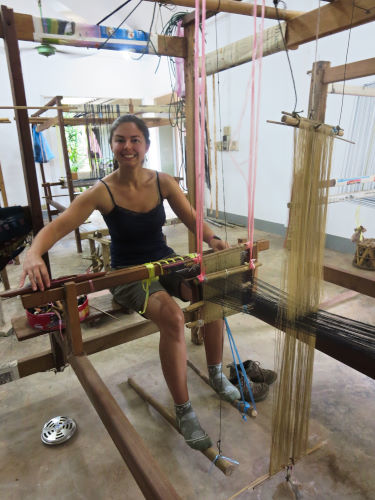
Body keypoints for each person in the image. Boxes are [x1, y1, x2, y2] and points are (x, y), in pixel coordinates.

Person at [20, 115, 269, 451]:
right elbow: (57, 227)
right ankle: (184, 411)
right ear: (111, 146)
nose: (128, 147)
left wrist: (213, 240)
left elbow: (192, 218)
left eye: (135, 140)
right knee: (173, 317)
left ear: (146, 146)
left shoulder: (163, 182)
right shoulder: (102, 192)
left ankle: (216, 375)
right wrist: (34, 254)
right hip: (128, 274)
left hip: (164, 261)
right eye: (120, 140)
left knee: (213, 292)